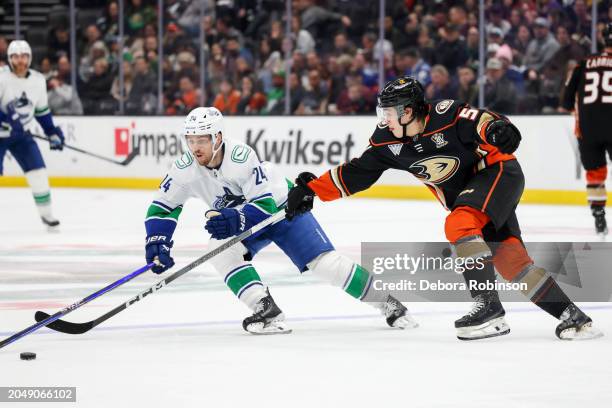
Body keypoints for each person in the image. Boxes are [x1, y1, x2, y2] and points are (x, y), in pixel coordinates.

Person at [285, 76, 602, 341]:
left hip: (497, 172)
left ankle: (488, 307)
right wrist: (311, 190)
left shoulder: (447, 115)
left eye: (391, 112)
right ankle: (573, 318)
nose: (385, 119)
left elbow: (482, 122)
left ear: (409, 111)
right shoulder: (387, 141)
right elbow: (357, 172)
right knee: (510, 262)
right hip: (473, 196)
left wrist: (498, 130)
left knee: (459, 224)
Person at [143, 107, 417, 335]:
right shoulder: (183, 169)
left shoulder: (241, 157)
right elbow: (163, 206)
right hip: (248, 221)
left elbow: (263, 205)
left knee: (325, 265)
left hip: (282, 211)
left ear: (217, 138)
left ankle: (389, 303)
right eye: (190, 140)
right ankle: (265, 308)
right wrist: (157, 239)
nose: (194, 147)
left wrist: (234, 218)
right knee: (220, 250)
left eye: (201, 140)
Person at [0, 40, 65, 230]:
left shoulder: (38, 80)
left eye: (24, 56)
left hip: (22, 135)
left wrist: (52, 132)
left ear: (29, 58)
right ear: (10, 58)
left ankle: (47, 216)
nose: (20, 60)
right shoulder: (2, 78)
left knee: (38, 172)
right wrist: (5, 118)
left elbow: (41, 111)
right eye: (16, 56)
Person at [560, 23, 612, 237]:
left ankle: (598, 214)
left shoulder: (584, 63)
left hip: (588, 128)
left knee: (595, 172)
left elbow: (565, 101)